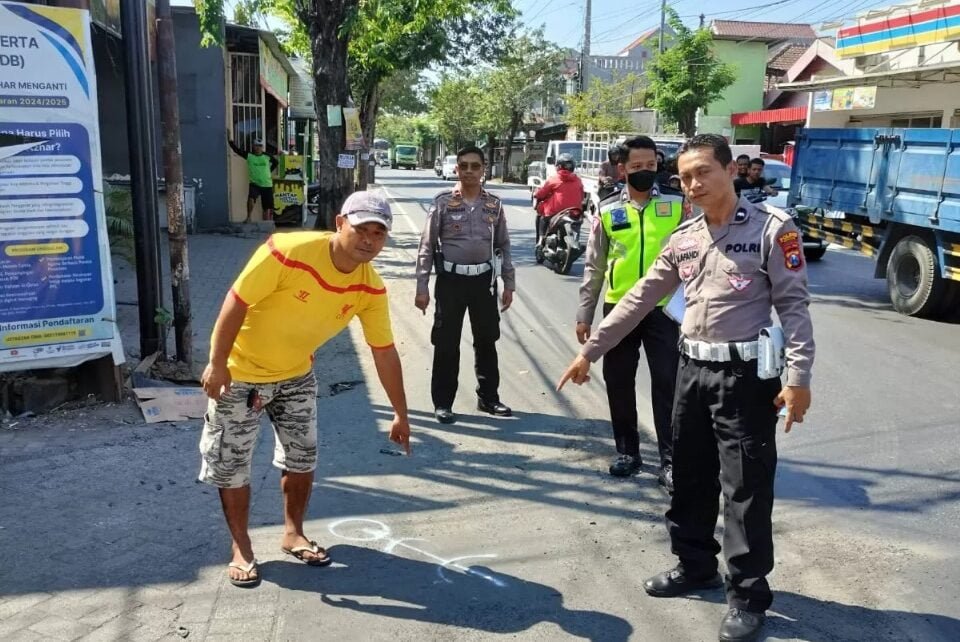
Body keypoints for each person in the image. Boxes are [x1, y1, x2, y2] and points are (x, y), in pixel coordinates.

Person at [558, 134, 814, 642]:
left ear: (730, 171)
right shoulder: (686, 237)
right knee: (689, 475)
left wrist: (798, 378)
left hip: (745, 378)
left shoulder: (771, 230)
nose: (693, 184)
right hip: (692, 370)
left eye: (704, 172)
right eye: (686, 177)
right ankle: (694, 564)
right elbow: (636, 299)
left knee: (744, 488)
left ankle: (747, 593)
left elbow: (794, 307)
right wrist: (591, 350)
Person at [199, 191, 413, 588]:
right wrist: (217, 362)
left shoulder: (371, 288)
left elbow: (383, 351)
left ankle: (293, 532)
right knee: (231, 463)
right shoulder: (287, 251)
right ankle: (241, 546)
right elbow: (237, 301)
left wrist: (400, 412)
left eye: (378, 233)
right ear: (339, 223)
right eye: (360, 228)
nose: (368, 240)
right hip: (241, 372)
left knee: (303, 457)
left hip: (296, 375)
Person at [576, 136, 683, 491]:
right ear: (622, 169)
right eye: (636, 167)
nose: (644, 172)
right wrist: (585, 314)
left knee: (668, 384)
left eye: (650, 166)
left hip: (665, 311)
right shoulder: (606, 210)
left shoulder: (677, 203)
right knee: (619, 382)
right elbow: (594, 266)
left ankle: (670, 462)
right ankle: (627, 452)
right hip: (619, 308)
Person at [415, 146, 516, 425]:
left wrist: (509, 283)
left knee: (487, 341)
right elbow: (426, 246)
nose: (469, 171)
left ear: (484, 169)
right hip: (451, 282)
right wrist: (421, 287)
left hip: (484, 283)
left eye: (475, 166)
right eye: (464, 166)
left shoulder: (494, 204)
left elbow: (503, 245)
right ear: (457, 169)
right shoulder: (443, 202)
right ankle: (443, 403)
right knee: (446, 343)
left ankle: (489, 397)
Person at [533, 153, 584, 247]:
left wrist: (536, 194)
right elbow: (581, 197)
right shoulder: (578, 180)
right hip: (575, 212)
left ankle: (540, 242)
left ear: (558, 166)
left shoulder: (553, 179)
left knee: (543, 218)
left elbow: (542, 193)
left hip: (556, 212)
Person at [228, 136, 279, 223]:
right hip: (254, 184)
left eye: (260, 146)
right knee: (251, 199)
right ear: (253, 146)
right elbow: (237, 151)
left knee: (267, 206)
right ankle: (248, 218)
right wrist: (230, 142)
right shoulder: (249, 155)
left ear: (262, 147)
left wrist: (269, 171)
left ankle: (267, 221)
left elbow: (276, 162)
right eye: (256, 145)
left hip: (267, 184)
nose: (258, 147)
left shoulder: (267, 156)